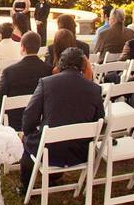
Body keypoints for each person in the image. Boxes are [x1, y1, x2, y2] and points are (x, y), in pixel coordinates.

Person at [18, 47, 104, 194]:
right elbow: (99, 121)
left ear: (60, 63)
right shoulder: (94, 89)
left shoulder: (46, 83)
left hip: (48, 151)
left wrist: (29, 133)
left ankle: (26, 186)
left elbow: (29, 116)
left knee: (27, 139)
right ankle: (54, 177)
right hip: (80, 152)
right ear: (83, 65)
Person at [0, 32, 53, 131]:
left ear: (23, 47)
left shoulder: (9, 71)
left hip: (12, 118)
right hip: (38, 116)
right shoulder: (48, 69)